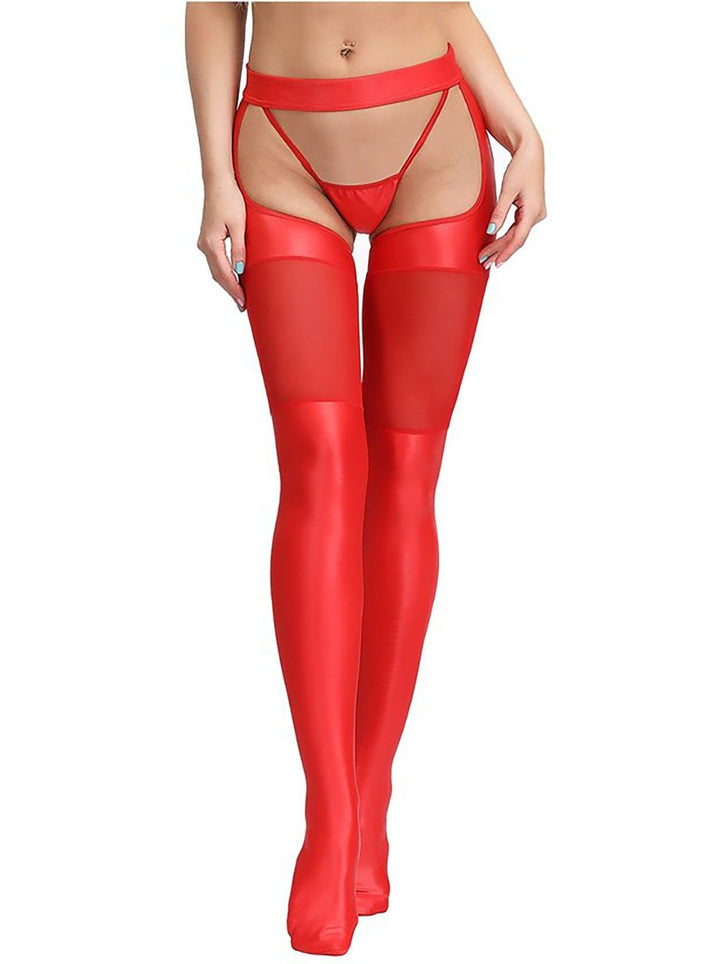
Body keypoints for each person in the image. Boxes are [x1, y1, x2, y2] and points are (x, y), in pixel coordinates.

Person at [185, 1, 546, 954]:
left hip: (437, 142)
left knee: (406, 475)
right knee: (318, 465)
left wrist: (522, 127)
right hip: (279, 150)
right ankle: (329, 815)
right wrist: (214, 176)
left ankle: (372, 787)